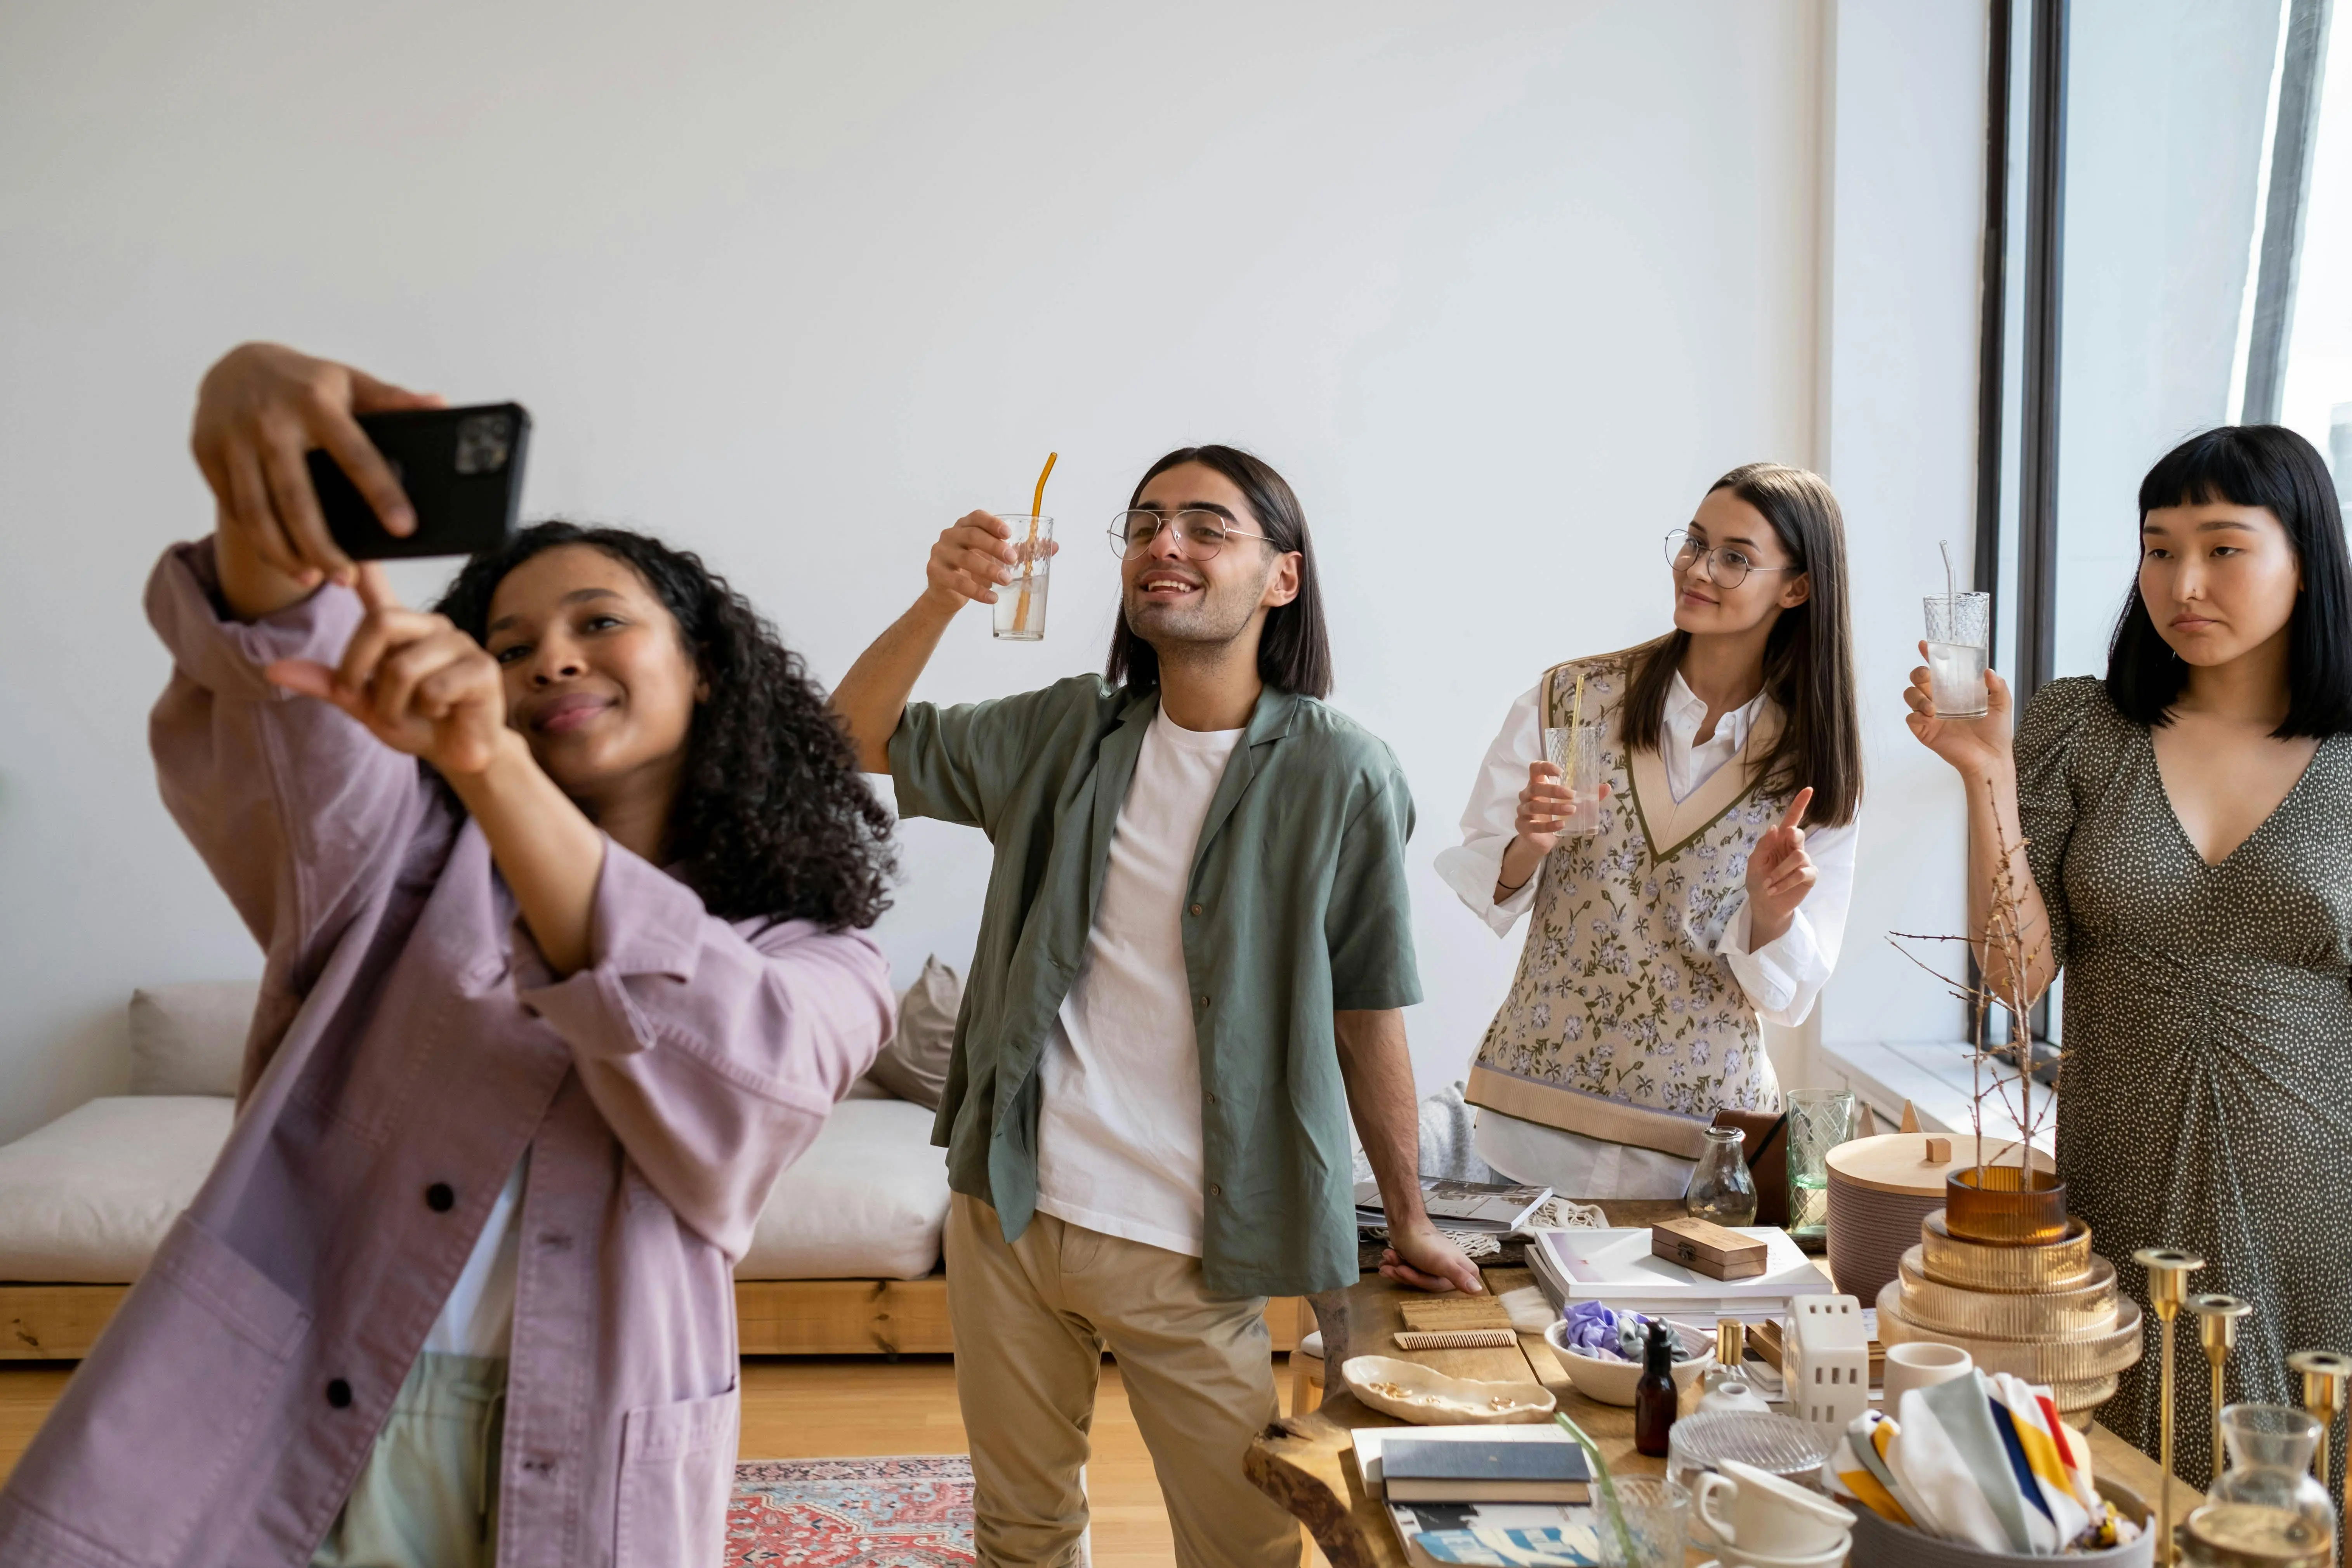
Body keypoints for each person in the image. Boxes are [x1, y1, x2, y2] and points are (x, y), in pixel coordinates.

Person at [0, 344, 896, 1568]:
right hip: (282, 1414)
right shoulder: (397, 866)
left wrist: (494, 765)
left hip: (590, 1445)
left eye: (599, 623)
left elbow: (740, 1085)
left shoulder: (816, 955)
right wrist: (260, 493)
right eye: (510, 642)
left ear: (706, 668)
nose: (551, 661)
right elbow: (282, 694)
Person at [830, 444, 1477, 1568]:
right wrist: (940, 596)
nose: (1162, 544)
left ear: (1282, 576)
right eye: (1142, 525)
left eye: (1204, 526)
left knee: (1247, 1546)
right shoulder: (1064, 730)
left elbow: (1368, 1006)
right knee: (1021, 1536)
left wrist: (1410, 1213)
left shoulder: (1343, 772)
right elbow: (850, 737)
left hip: (1194, 1243)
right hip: (1012, 1213)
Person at [1904, 424, 2352, 1483]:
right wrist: (1985, 771)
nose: (2182, 580)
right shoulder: (2081, 728)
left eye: (2223, 547)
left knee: (2289, 1500)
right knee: (2108, 1479)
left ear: (2306, 557)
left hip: (2321, 1212)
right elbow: (2014, 977)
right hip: (2120, 1185)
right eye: (2158, 547)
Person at [1434, 463, 1863, 1195]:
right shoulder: (1570, 700)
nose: (1697, 568)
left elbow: (1790, 1000)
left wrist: (1769, 913)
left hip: (1700, 1152)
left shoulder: (1815, 761)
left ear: (1796, 588)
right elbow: (1484, 877)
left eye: (1734, 556)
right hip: (1535, 1127)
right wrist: (1527, 845)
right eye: (1694, 542)